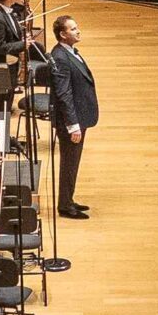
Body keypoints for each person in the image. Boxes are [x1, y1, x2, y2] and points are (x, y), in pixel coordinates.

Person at [46, 14, 97, 218]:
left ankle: (68, 199)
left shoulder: (69, 52)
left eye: (77, 27)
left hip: (79, 114)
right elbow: (63, 93)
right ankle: (65, 206)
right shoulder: (60, 57)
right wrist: (72, 125)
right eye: (73, 29)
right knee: (69, 162)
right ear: (62, 34)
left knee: (72, 163)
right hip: (71, 119)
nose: (78, 31)